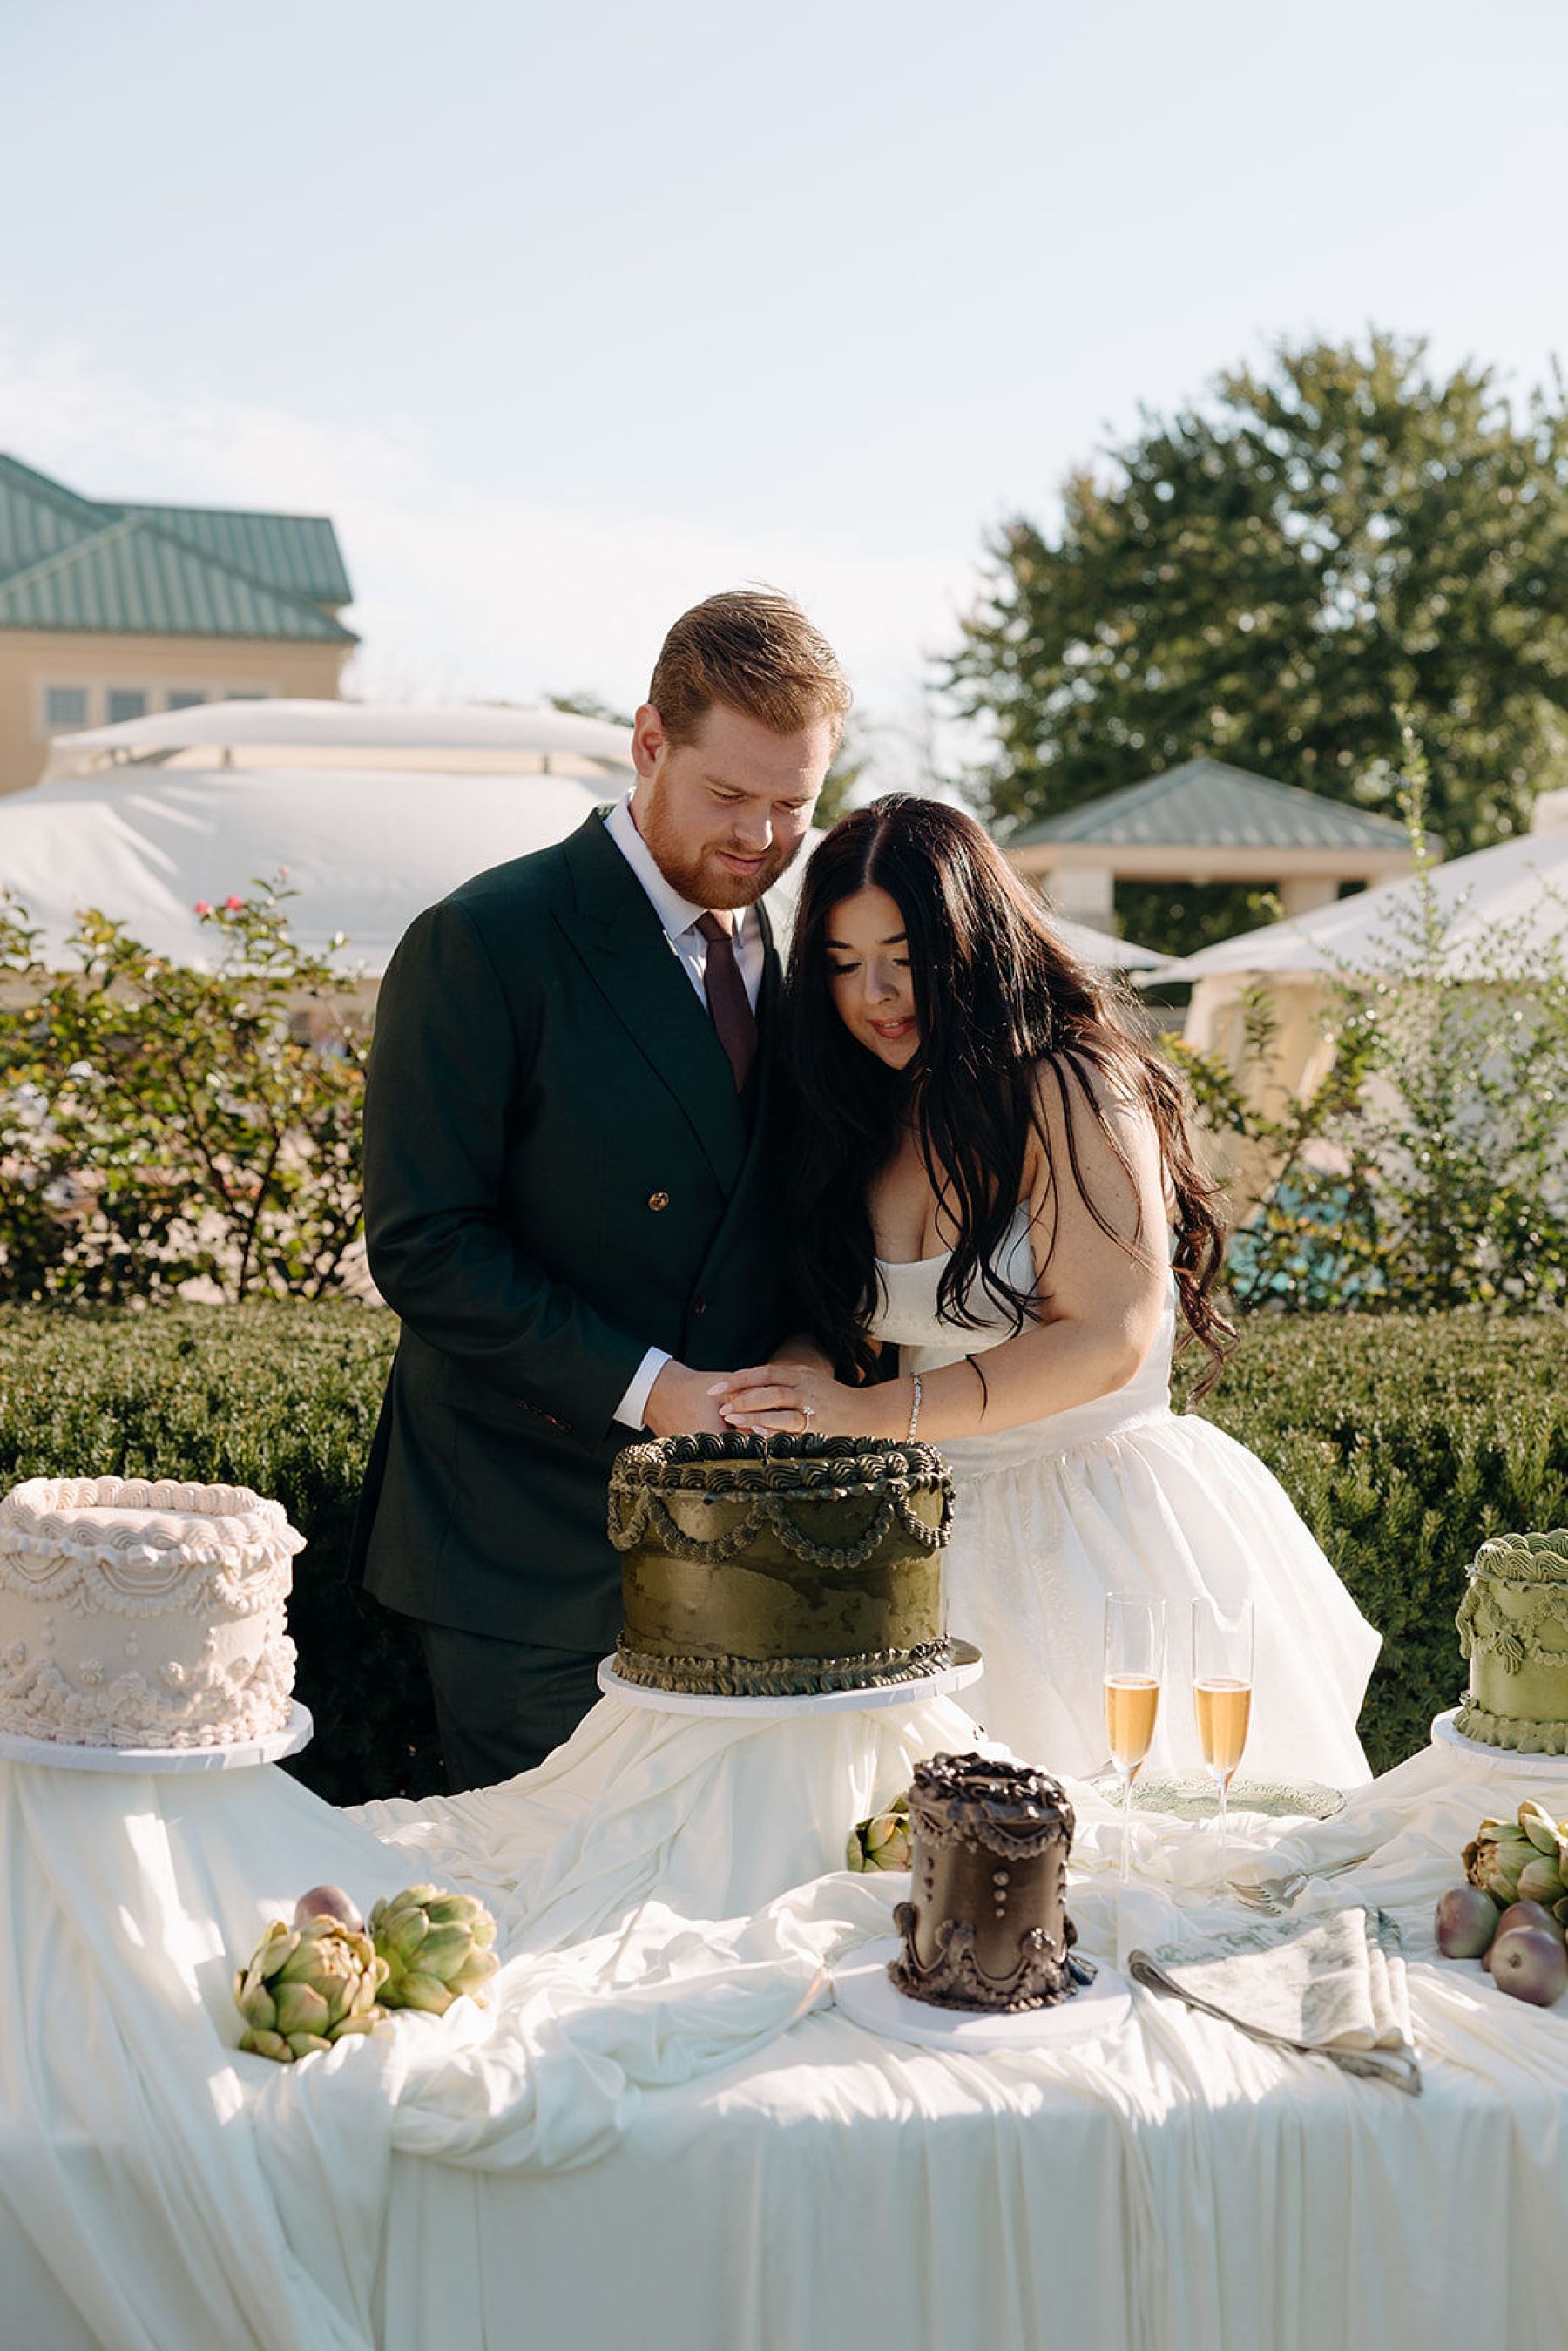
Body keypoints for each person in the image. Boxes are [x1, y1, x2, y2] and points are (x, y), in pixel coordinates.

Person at [711, 796, 1382, 1786]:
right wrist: (795, 1391)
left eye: (907, 955)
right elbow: (844, 1318)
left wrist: (867, 1413)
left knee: (1137, 1862)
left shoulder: (1072, 1081)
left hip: (1097, 1533)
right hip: (929, 1529)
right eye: (845, 965)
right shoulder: (860, 1112)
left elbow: (1109, 1332)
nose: (878, 995)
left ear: (976, 940)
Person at [352, 590, 849, 1791]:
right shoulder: (486, 938)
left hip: (741, 1543)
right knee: (538, 1904)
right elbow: (426, 1242)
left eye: (794, 801)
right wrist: (653, 1389)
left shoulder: (810, 951)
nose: (764, 835)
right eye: (731, 796)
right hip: (523, 1543)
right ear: (647, 742)